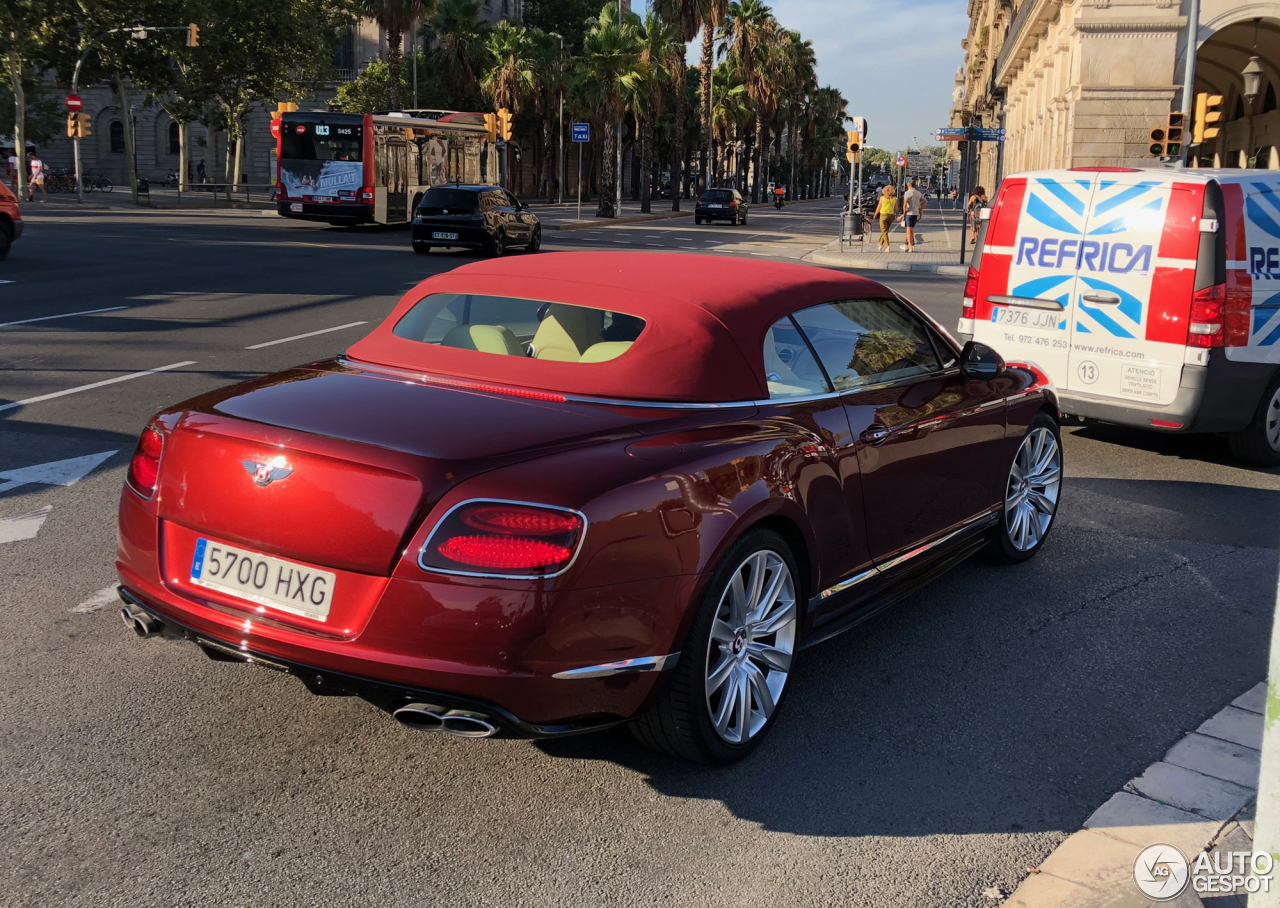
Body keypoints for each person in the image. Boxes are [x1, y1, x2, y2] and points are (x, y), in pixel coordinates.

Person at [899, 179, 927, 252]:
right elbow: (925, 201)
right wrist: (921, 208)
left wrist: (904, 213)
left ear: (909, 185)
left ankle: (910, 246)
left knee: (908, 230)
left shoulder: (907, 193)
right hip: (915, 213)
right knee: (911, 229)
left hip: (909, 213)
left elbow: (905, 204)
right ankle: (912, 244)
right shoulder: (918, 193)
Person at [875, 185, 897, 252]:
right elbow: (896, 209)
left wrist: (875, 214)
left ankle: (887, 246)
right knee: (885, 231)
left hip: (883, 215)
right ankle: (880, 244)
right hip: (891, 216)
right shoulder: (894, 199)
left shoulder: (882, 198)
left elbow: (878, 207)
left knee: (884, 231)